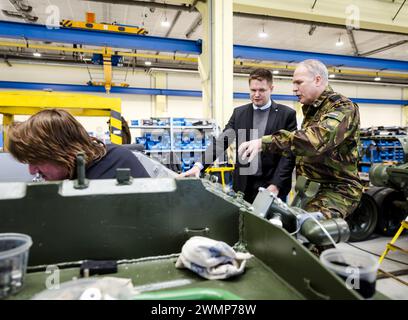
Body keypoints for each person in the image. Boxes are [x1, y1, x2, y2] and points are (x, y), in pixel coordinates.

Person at [238, 59, 363, 219]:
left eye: (299, 83)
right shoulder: (313, 111)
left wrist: (265, 142)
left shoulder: (342, 107)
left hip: (335, 190)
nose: (294, 89)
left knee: (308, 232)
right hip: (309, 190)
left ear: (317, 80)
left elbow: (316, 139)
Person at [181, 68, 297, 203]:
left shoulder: (286, 114)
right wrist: (198, 166)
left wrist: (276, 185)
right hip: (243, 185)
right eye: (253, 90)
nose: (257, 94)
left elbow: (289, 155)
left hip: (271, 185)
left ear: (271, 88)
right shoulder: (239, 113)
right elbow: (222, 141)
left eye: (262, 90)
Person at [6, 108, 150, 180]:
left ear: (65, 152)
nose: (32, 171)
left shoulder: (117, 161)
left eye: (37, 161)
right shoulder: (70, 174)